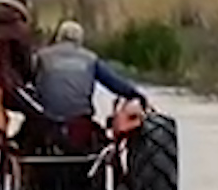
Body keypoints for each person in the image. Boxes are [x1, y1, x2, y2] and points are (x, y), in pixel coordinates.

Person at [32, 19, 149, 151]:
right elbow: (115, 83)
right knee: (102, 143)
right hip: (80, 123)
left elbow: (25, 79)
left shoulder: (42, 56)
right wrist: (135, 94)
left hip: (44, 124)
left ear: (58, 37)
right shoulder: (90, 59)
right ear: (80, 40)